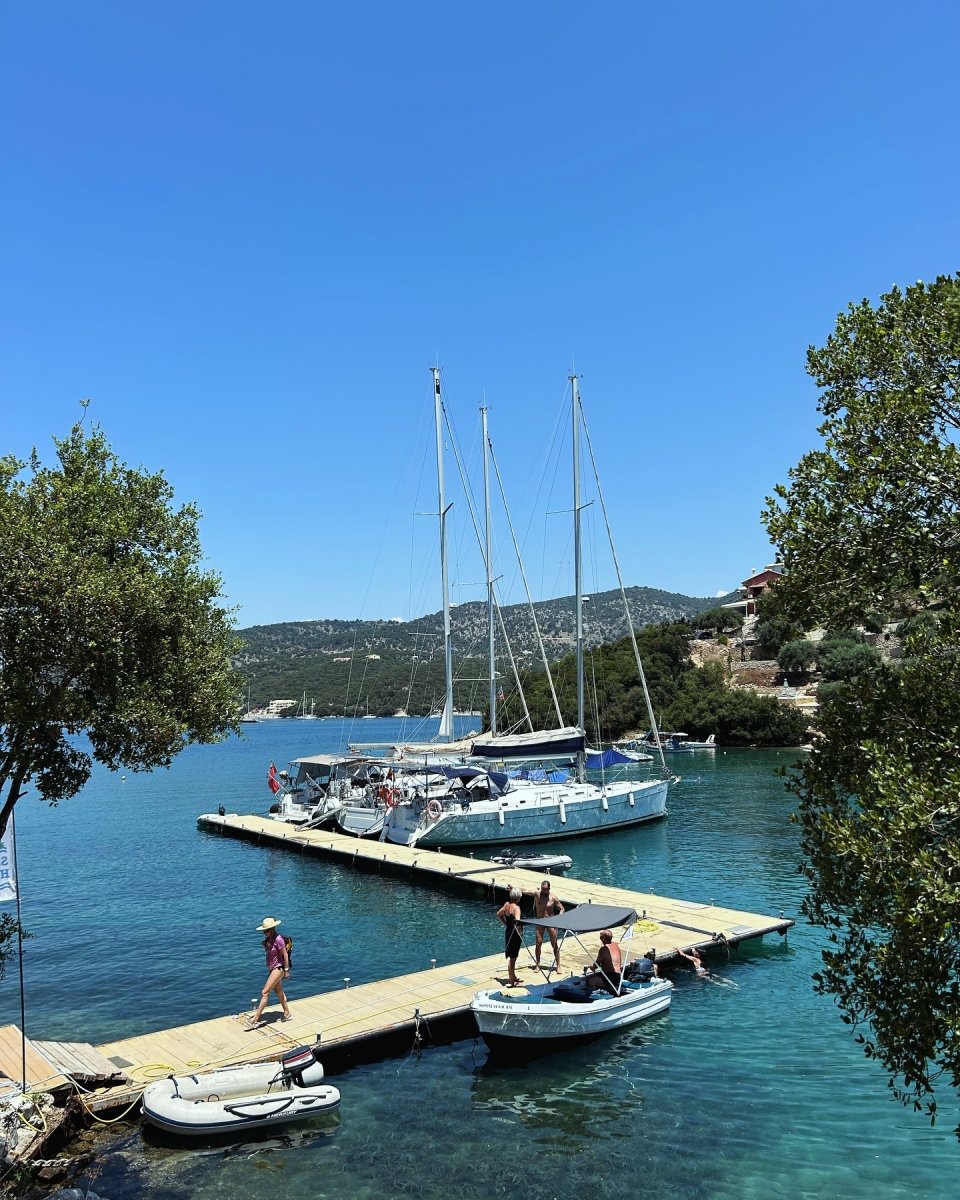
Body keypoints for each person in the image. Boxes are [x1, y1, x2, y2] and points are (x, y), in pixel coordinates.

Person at [246, 917, 292, 1028]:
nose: (264, 933)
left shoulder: (278, 939)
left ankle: (256, 1018)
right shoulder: (269, 940)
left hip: (279, 968)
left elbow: (285, 955)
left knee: (265, 992)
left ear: (271, 929)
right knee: (279, 991)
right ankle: (287, 1012)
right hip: (272, 969)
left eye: (265, 931)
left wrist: (286, 970)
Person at [533, 879, 564, 972]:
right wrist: (513, 888)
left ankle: (558, 965)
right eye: (542, 889)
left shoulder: (553, 897)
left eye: (545, 889)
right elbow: (525, 890)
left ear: (549, 888)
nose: (543, 891)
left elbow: (562, 908)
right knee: (538, 943)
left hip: (551, 921)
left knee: (554, 943)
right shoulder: (537, 894)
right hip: (540, 920)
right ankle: (538, 964)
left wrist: (559, 918)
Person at [497, 886, 524, 987]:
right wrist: (520, 934)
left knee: (512, 956)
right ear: (519, 897)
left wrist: (506, 924)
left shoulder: (507, 905)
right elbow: (517, 921)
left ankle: (513, 976)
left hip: (508, 932)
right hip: (514, 935)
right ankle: (511, 981)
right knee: (513, 959)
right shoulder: (517, 908)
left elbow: (499, 914)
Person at [584, 929, 622, 994]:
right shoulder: (615, 945)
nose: (600, 934)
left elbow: (595, 966)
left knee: (590, 980)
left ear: (603, 938)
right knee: (594, 977)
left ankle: (595, 996)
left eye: (601, 934)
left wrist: (590, 967)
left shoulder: (604, 949)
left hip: (610, 976)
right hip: (618, 975)